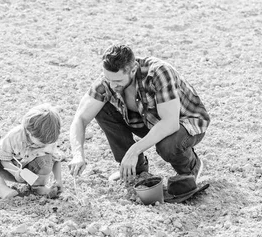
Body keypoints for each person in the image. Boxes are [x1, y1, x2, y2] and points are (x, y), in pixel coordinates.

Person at [68, 44, 210, 199]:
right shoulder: (108, 82)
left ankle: (190, 168)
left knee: (167, 146)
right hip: (147, 121)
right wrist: (77, 155)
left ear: (133, 70)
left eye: (117, 80)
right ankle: (134, 170)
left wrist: (134, 150)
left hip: (185, 122)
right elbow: (80, 118)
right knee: (101, 108)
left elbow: (170, 122)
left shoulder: (159, 72)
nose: (112, 85)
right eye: (108, 79)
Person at [0, 103, 63, 199]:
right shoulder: (14, 137)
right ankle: (0, 187)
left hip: (31, 175)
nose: (44, 145)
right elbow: (4, 158)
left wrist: (58, 180)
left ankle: (38, 187)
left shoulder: (48, 140)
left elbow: (56, 159)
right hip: (9, 168)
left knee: (47, 160)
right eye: (41, 143)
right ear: (29, 132)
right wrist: (16, 172)